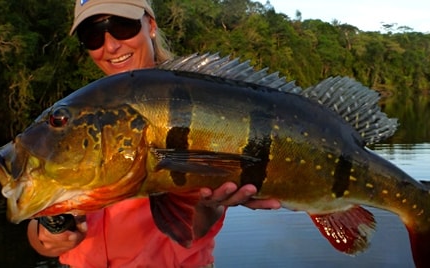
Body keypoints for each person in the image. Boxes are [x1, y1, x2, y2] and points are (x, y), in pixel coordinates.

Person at [26, 0, 281, 267]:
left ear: (150, 25)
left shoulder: (197, 99)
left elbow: (192, 230)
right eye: (93, 36)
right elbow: (39, 234)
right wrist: (50, 231)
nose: (111, 45)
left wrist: (210, 208)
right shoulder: (77, 117)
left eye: (123, 26)